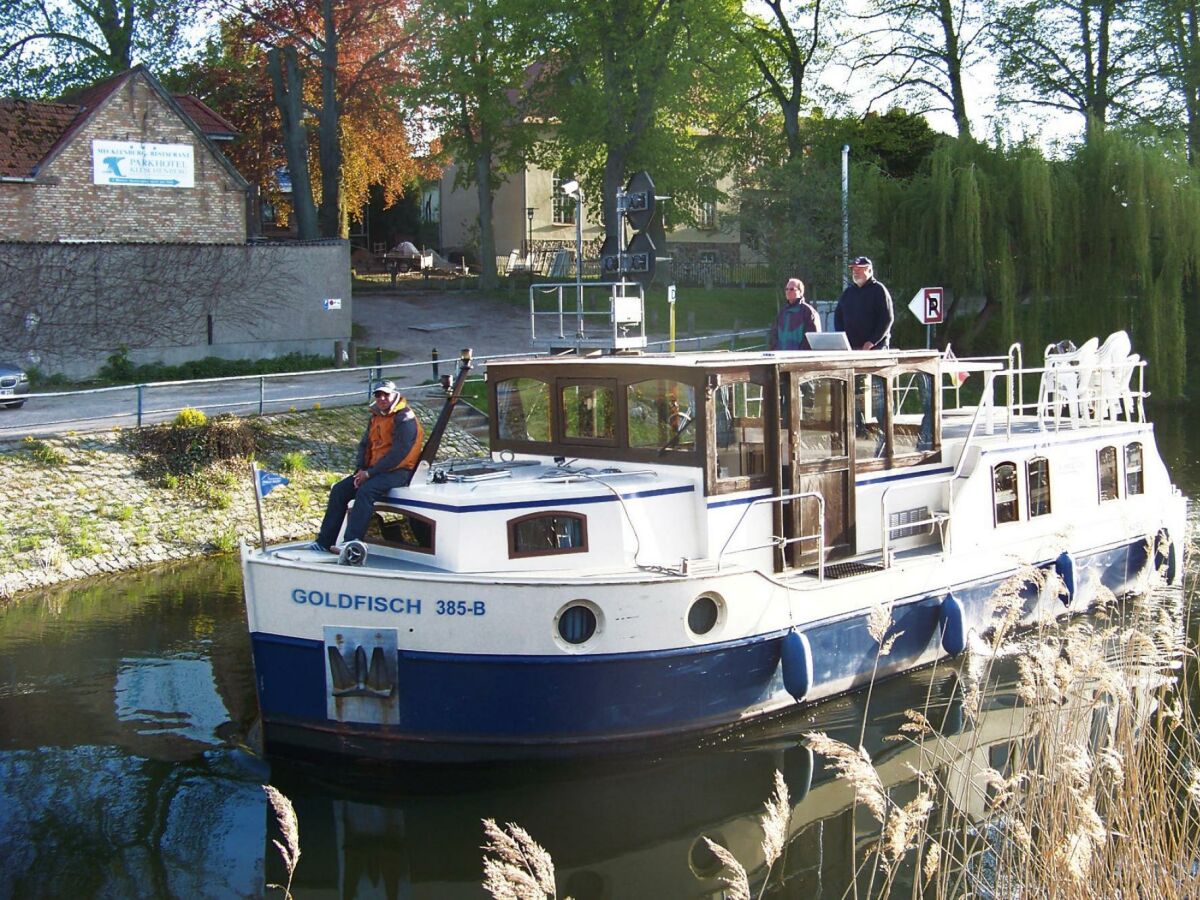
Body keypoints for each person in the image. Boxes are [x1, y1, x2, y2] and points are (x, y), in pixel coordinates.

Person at [310, 381, 424, 552]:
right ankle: (324, 542)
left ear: (395, 395)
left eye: (386, 394)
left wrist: (369, 474)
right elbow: (365, 445)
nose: (382, 398)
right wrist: (360, 471)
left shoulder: (405, 418)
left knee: (366, 491)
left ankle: (351, 542)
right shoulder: (376, 417)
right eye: (378, 395)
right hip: (375, 470)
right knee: (340, 490)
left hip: (401, 471)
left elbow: (398, 454)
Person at [835, 256, 893, 350]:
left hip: (875, 348)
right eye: (854, 269)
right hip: (851, 348)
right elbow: (838, 317)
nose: (855, 272)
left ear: (869, 270)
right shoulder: (848, 292)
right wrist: (842, 339)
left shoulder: (879, 290)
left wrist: (872, 341)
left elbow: (887, 319)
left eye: (859, 269)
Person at [768, 277, 821, 350]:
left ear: (800, 292)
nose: (788, 291)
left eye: (792, 289)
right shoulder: (782, 312)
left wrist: (799, 353)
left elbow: (813, 338)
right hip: (781, 357)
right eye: (786, 289)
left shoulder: (808, 312)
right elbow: (773, 335)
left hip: (799, 358)